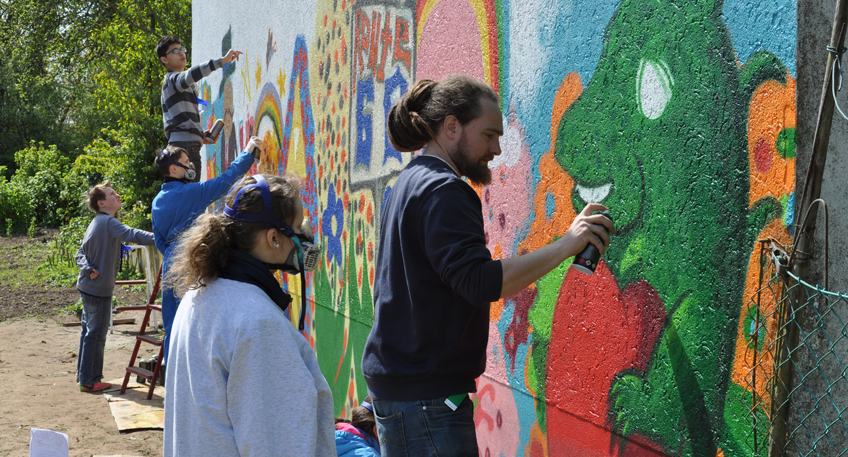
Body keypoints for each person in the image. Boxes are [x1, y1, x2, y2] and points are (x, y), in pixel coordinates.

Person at [360, 75, 614, 456]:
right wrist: (568, 244)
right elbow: (478, 281)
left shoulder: (408, 183)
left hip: (407, 393)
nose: (496, 148)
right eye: (489, 135)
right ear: (451, 126)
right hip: (427, 401)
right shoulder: (445, 190)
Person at [162, 174, 334, 456]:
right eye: (296, 226)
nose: (305, 235)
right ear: (274, 238)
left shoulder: (199, 294)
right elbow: (279, 443)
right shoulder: (257, 321)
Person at [151, 137, 261, 366]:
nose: (190, 166)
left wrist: (173, 253)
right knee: (198, 323)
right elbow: (225, 181)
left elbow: (159, 240)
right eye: (186, 162)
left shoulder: (157, 201)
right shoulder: (191, 193)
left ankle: (173, 380)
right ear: (174, 169)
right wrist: (248, 153)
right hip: (191, 261)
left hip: (171, 263)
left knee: (173, 325)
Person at [75, 181, 155, 392]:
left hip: (89, 286)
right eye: (112, 193)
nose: (117, 195)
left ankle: (84, 376)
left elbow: (79, 253)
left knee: (88, 332)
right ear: (102, 203)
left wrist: (87, 268)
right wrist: (162, 238)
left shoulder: (97, 222)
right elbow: (132, 235)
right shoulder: (107, 222)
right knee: (96, 334)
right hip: (97, 289)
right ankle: (90, 381)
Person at [156, 35, 243, 182]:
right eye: (175, 51)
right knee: (192, 198)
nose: (182, 53)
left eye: (182, 49)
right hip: (185, 146)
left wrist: (200, 136)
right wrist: (222, 61)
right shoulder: (172, 79)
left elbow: (181, 121)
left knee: (188, 196)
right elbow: (190, 75)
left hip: (185, 145)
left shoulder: (175, 85)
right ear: (164, 60)